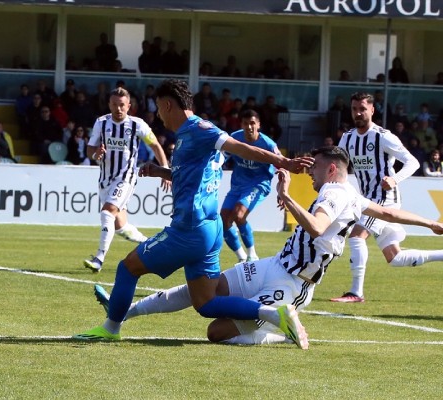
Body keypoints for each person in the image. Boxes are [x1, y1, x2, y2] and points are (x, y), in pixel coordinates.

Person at [91, 146, 443, 345]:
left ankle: (280, 328)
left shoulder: (333, 193)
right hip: (274, 264)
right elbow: (388, 212)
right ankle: (126, 312)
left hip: (291, 283)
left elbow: (319, 227)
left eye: (316, 167)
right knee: (207, 290)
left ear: (333, 168)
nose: (312, 173)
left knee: (216, 332)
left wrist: (287, 198)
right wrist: (429, 222)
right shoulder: (350, 194)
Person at [73, 79, 313, 346]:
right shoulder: (189, 135)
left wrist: (284, 161)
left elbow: (241, 148)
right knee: (206, 303)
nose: (158, 115)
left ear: (167, 104)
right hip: (209, 230)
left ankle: (111, 327)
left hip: (189, 230)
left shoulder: (200, 128)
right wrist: (162, 171)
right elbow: (194, 176)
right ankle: (274, 314)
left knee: (128, 268)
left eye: (158, 109)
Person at [332, 92, 439, 303]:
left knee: (356, 236)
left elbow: (413, 162)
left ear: (372, 110)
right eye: (354, 109)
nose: (358, 113)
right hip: (366, 199)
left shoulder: (383, 136)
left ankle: (356, 292)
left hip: (384, 198)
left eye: (362, 109)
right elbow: (338, 164)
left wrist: (395, 179)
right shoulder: (348, 137)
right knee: (395, 257)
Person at [82, 87, 170, 273]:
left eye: (122, 105)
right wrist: (96, 154)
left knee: (107, 213)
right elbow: (90, 150)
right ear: (109, 105)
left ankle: (98, 258)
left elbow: (155, 145)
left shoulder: (138, 125)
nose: (118, 108)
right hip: (105, 180)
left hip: (126, 178)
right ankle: (151, 244)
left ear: (129, 106)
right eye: (114, 104)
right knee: (119, 225)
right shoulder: (101, 123)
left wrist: (165, 170)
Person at [221, 109, 278, 263]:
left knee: (239, 215)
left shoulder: (267, 144)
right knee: (224, 219)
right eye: (246, 123)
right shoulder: (235, 138)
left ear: (258, 125)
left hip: (258, 184)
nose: (249, 127)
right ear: (242, 124)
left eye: (252, 123)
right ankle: (242, 257)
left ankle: (252, 255)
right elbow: (221, 158)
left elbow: (281, 165)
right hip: (238, 185)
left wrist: (283, 191)